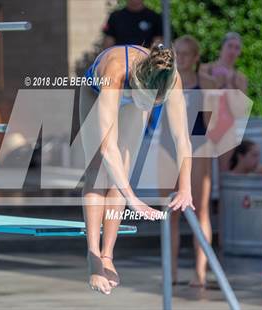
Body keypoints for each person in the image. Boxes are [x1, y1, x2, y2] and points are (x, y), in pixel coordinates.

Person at [81, 43, 194, 295]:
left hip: (134, 96)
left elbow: (182, 139)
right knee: (97, 171)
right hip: (95, 90)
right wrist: (133, 199)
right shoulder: (115, 70)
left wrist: (185, 186)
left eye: (156, 103)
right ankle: (93, 255)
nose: (152, 106)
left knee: (125, 168)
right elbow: (107, 149)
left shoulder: (171, 78)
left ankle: (108, 254)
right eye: (149, 101)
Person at [158, 35, 216, 287]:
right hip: (166, 147)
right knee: (168, 212)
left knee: (199, 209)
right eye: (176, 53)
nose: (179, 58)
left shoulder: (206, 83)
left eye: (185, 54)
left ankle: (200, 271)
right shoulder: (164, 81)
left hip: (197, 148)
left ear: (195, 58)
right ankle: (170, 270)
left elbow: (212, 122)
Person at [199, 32, 248, 171]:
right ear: (222, 48)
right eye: (230, 46)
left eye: (237, 48)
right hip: (204, 124)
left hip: (226, 128)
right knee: (202, 171)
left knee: (225, 171)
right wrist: (215, 84)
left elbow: (240, 111)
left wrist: (229, 85)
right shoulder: (204, 70)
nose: (232, 51)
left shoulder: (239, 79)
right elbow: (198, 96)